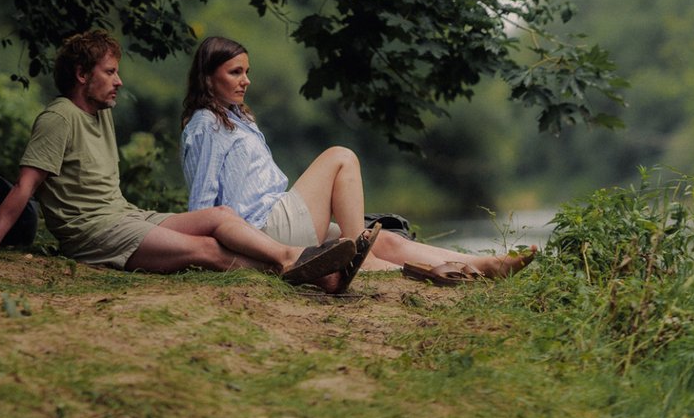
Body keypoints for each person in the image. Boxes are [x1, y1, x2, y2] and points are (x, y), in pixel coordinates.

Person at [0, 30, 371, 293]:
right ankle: (299, 265)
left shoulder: (99, 114)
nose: (119, 81)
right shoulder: (58, 118)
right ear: (82, 75)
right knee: (207, 250)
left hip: (124, 215)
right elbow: (25, 186)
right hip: (94, 232)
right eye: (110, 72)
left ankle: (298, 260)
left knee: (219, 216)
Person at [178, 36, 535, 281]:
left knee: (386, 240)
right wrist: (207, 253)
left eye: (247, 72)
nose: (246, 81)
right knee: (340, 157)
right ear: (208, 78)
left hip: (278, 222)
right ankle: (365, 261)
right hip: (262, 228)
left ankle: (483, 265)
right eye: (235, 73)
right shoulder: (205, 124)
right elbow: (202, 204)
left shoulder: (236, 117)